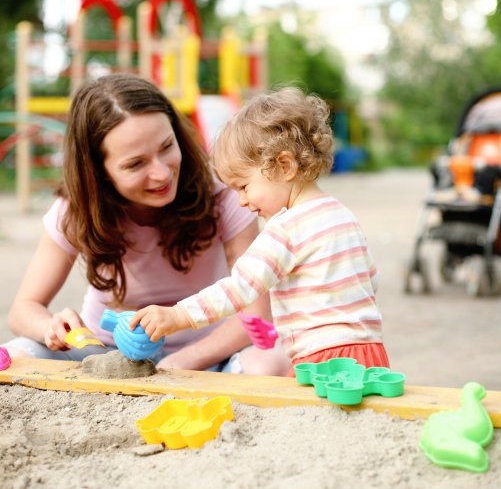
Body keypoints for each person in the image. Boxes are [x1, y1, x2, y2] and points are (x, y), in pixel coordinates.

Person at [4, 73, 290, 375]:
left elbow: (256, 317)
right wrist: (50, 326)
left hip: (207, 353)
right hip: (102, 353)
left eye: (167, 147)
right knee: (17, 353)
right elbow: (24, 308)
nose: (162, 174)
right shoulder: (74, 211)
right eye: (135, 164)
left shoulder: (224, 192)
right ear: (98, 172)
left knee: (271, 361)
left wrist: (178, 363)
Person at [130, 86, 390, 377]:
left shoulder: (285, 228)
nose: (241, 200)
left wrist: (177, 315)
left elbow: (239, 289)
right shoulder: (343, 215)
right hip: (371, 353)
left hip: (321, 359)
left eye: (244, 186)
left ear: (285, 165)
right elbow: (369, 279)